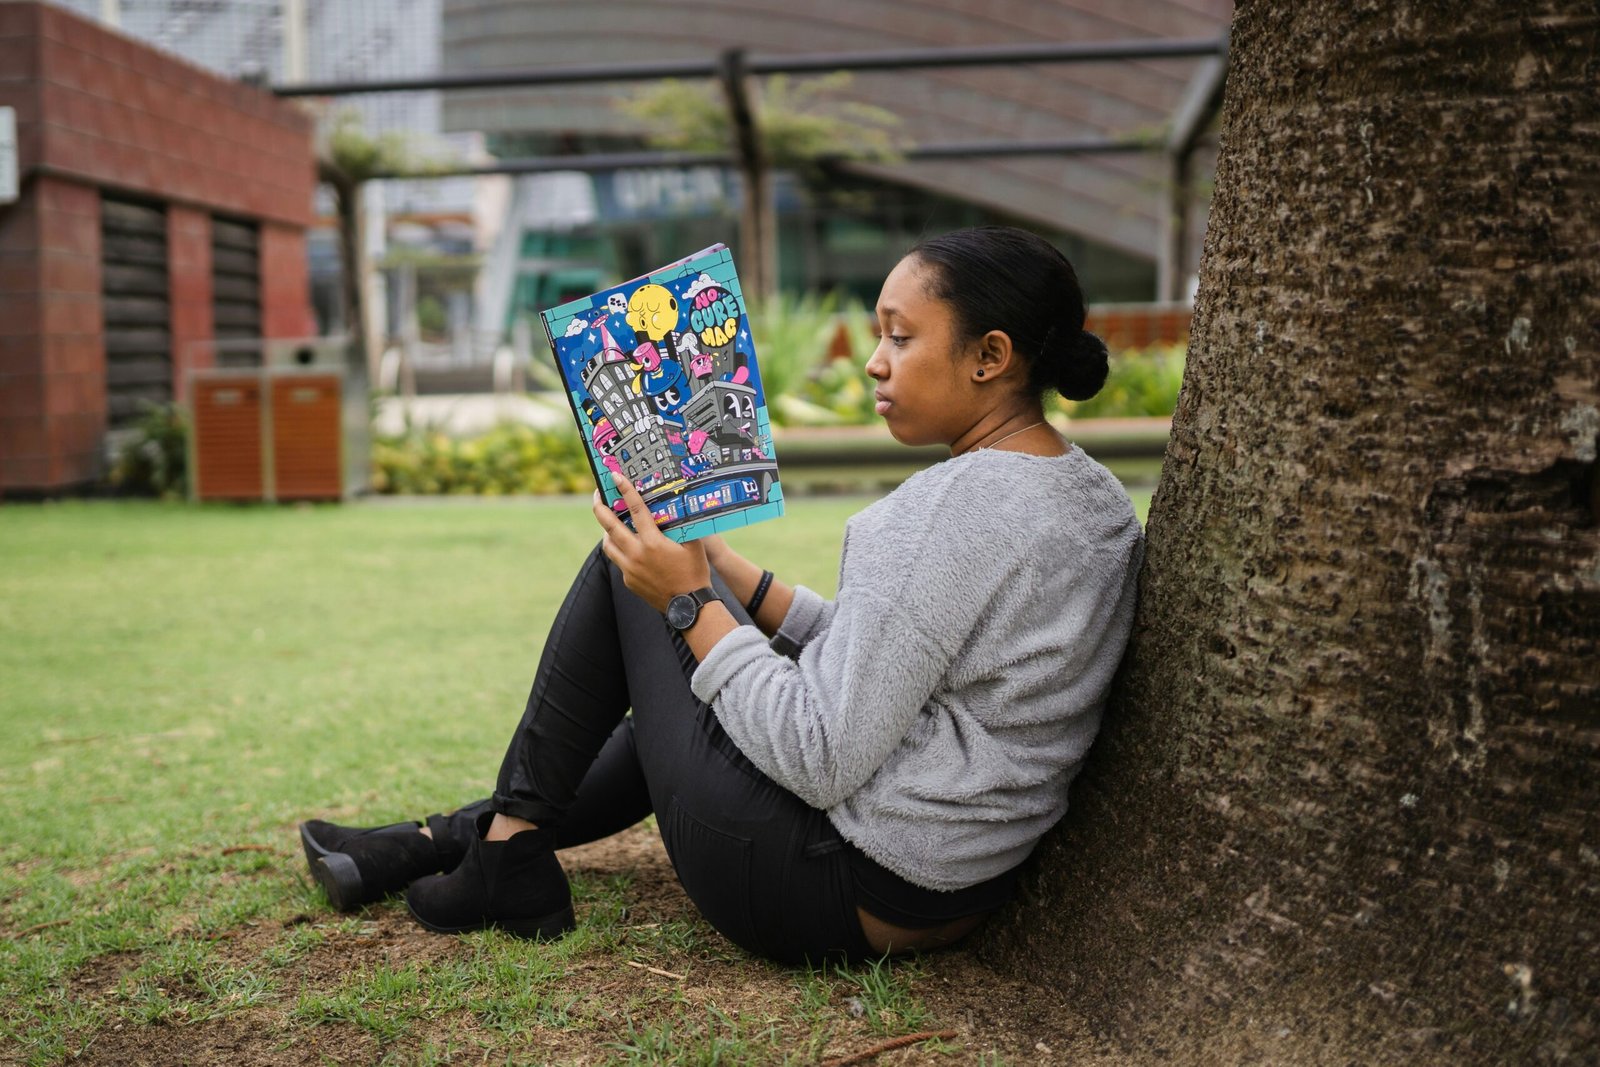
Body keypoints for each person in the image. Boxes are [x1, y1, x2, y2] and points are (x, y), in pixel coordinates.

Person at [298, 226, 1144, 964]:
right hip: (947, 889)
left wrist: (688, 602)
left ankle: (507, 853)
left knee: (628, 583)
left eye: (900, 337)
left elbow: (820, 752)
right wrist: (729, 575)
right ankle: (443, 843)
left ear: (990, 356)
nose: (874, 361)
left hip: (823, 889)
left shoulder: (937, 514)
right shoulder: (1090, 497)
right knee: (676, 640)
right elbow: (903, 656)